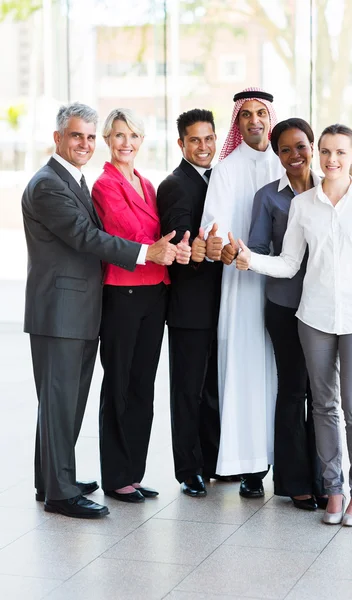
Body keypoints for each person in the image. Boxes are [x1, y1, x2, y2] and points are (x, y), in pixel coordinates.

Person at [22, 102, 178, 519]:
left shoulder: (71, 180)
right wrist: (148, 252)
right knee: (59, 401)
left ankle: (52, 479)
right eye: (77, 136)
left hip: (77, 308)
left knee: (65, 402)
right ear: (57, 137)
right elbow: (86, 237)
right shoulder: (47, 185)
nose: (85, 144)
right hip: (61, 310)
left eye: (90, 137)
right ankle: (60, 492)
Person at [237, 123, 352, 525]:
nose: (332, 159)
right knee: (323, 406)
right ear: (319, 155)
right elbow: (288, 264)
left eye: (341, 152)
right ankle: (334, 490)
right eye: (326, 152)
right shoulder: (304, 205)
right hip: (314, 318)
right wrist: (248, 258)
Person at [91, 108, 190, 503]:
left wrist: (175, 248)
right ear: (107, 140)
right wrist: (161, 247)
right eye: (118, 135)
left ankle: (133, 472)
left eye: (133, 135)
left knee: (141, 387)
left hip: (154, 293)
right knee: (118, 383)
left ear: (142, 140)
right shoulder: (105, 185)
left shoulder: (148, 185)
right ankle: (115, 477)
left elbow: (159, 237)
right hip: (123, 293)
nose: (126, 143)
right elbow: (125, 233)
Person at [200, 87, 283, 498]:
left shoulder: (287, 164)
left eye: (260, 113)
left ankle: (285, 466)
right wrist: (220, 243)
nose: (254, 121)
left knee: (284, 378)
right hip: (240, 286)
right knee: (245, 373)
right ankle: (250, 467)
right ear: (238, 122)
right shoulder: (227, 168)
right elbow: (211, 225)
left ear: (270, 118)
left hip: (285, 287)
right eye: (246, 114)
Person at [248, 118, 326, 511]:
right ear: (277, 155)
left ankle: (325, 478)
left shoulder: (332, 190)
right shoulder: (268, 197)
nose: (295, 155)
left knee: (324, 395)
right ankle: (295, 482)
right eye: (285, 150)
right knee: (295, 390)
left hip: (326, 309)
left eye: (301, 146)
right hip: (285, 307)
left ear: (313, 146)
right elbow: (257, 248)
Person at [157, 109, 224, 497]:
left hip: (218, 301)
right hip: (189, 306)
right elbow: (179, 242)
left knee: (212, 386)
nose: (204, 147)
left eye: (209, 139)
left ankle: (212, 460)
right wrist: (195, 249)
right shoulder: (175, 185)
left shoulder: (218, 178)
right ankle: (189, 469)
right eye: (195, 140)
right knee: (187, 389)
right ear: (181, 144)